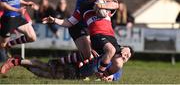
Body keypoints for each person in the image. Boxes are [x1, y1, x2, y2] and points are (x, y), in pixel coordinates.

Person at [42, 0, 124, 78]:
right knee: (109, 50)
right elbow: (69, 22)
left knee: (118, 63)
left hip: (111, 36)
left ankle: (103, 76)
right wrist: (54, 20)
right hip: (97, 35)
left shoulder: (104, 2)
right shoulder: (83, 7)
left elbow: (116, 5)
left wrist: (102, 5)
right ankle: (99, 74)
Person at [0, 46, 133, 82]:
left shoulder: (117, 70)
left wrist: (108, 78)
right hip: (73, 65)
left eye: (127, 57)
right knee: (47, 68)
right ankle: (16, 61)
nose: (124, 56)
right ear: (119, 50)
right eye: (125, 53)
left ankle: (19, 61)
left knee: (43, 74)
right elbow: (86, 51)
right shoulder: (106, 51)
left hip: (74, 76)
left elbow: (113, 78)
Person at [68, 0, 118, 64]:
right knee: (88, 54)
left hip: (89, 26)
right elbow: (95, 5)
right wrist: (103, 5)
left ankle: (79, 68)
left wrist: (104, 4)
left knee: (95, 54)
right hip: (78, 26)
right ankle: (65, 63)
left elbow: (114, 3)